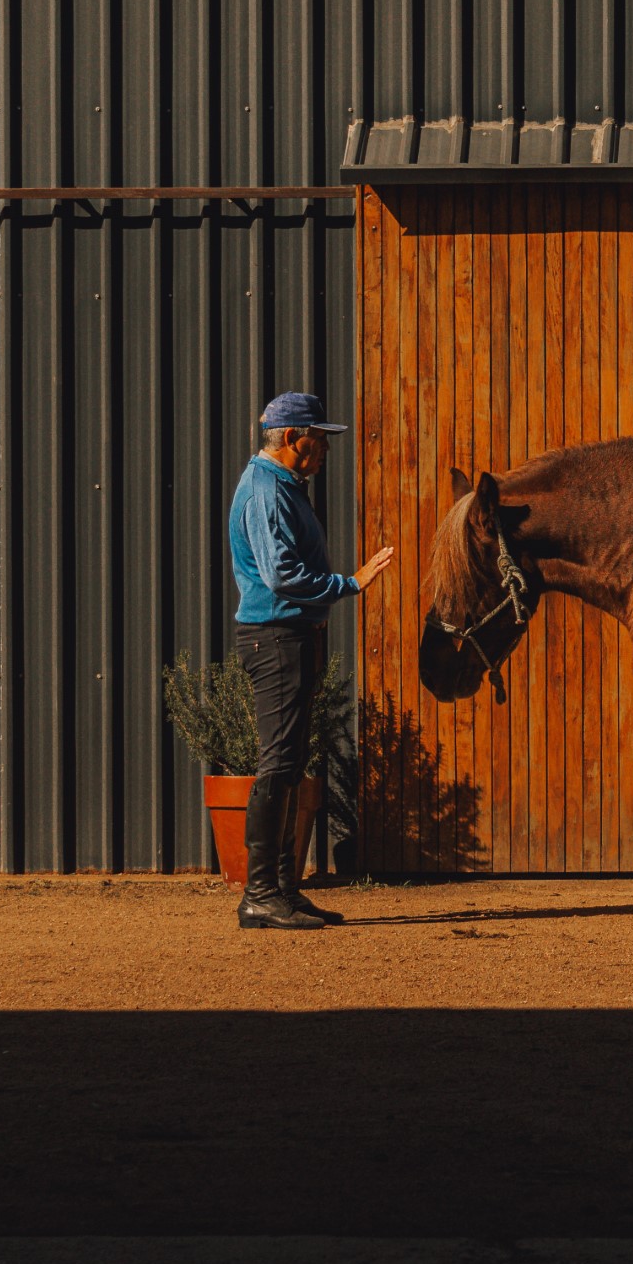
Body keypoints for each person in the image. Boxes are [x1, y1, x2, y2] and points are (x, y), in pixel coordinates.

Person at [228, 391, 394, 930]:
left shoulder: (284, 487)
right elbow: (280, 575)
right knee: (278, 764)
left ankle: (282, 891)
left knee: (291, 764)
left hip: (291, 636)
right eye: (319, 439)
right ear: (294, 438)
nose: (324, 450)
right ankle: (259, 895)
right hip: (275, 638)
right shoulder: (266, 489)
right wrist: (349, 583)